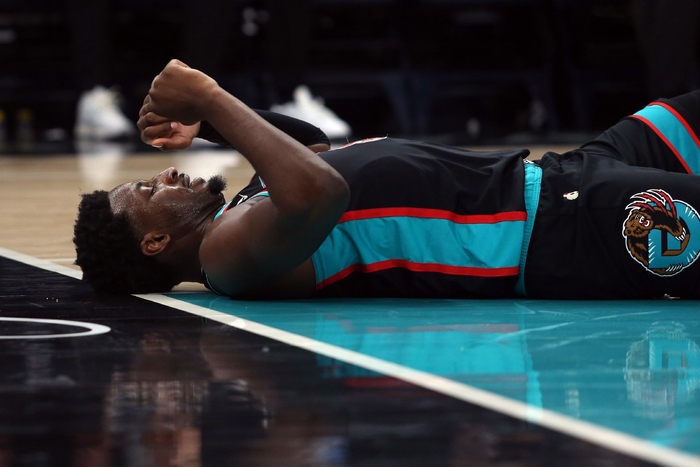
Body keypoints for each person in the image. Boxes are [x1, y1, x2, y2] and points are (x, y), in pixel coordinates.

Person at [74, 59, 700, 300]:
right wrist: (209, 96)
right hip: (561, 231)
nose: (165, 175)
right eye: (149, 192)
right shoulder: (228, 258)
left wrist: (209, 124)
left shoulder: (243, 210)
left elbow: (311, 149)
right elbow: (320, 189)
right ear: (154, 242)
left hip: (561, 175)